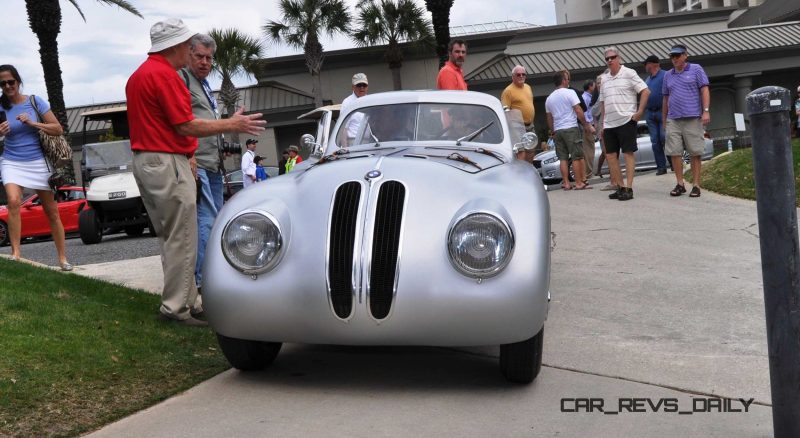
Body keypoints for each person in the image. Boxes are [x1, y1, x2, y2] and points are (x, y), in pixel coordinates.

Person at [125, 18, 266, 326]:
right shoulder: (166, 75)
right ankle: (176, 308)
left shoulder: (139, 75)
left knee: (171, 235)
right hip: (165, 160)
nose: (190, 51)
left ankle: (186, 301)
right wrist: (233, 124)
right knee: (184, 235)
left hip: (147, 160)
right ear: (176, 45)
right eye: (187, 45)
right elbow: (185, 124)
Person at [0, 64, 72, 271]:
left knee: (51, 211)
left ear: (18, 81)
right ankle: (15, 254)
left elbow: (57, 128)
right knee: (13, 201)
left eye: (10, 82)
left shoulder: (34, 101)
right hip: (11, 161)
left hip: (38, 162)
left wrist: (33, 124)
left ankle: (62, 259)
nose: (7, 86)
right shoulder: (0, 106)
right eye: (2, 83)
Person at [179, 33, 224, 294]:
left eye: (209, 58)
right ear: (188, 55)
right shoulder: (183, 79)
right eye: (199, 56)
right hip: (198, 163)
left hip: (214, 161)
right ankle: (204, 281)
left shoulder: (205, 85)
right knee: (206, 220)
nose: (205, 62)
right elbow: (181, 120)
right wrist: (190, 155)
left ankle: (214, 275)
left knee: (216, 219)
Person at [598, 46, 650, 201]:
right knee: (610, 155)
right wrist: (602, 124)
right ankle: (620, 186)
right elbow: (603, 102)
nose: (609, 61)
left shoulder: (629, 73)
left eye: (612, 57)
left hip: (626, 120)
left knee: (628, 153)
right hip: (609, 124)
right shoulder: (604, 78)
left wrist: (639, 112)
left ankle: (629, 187)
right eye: (607, 59)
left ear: (619, 58)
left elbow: (645, 91)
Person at [662, 44, 710, 198]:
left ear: (685, 55)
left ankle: (696, 185)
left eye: (677, 55)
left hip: (692, 117)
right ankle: (680, 183)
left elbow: (704, 89)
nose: (674, 59)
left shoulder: (696, 69)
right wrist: (664, 119)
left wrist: (706, 111)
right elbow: (665, 98)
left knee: (695, 151)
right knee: (674, 152)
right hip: (673, 119)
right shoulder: (668, 75)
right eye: (672, 56)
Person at [546, 70, 592, 190]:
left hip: (558, 130)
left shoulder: (549, 98)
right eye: (567, 79)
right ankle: (578, 182)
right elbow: (578, 109)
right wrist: (586, 124)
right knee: (576, 156)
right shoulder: (570, 92)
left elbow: (549, 118)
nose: (568, 81)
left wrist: (553, 131)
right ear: (563, 80)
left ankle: (566, 183)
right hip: (570, 127)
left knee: (563, 158)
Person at [501, 65, 535, 161]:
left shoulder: (528, 87)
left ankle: (528, 173)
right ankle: (520, 174)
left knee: (531, 150)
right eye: (518, 74)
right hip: (516, 125)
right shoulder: (508, 91)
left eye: (523, 74)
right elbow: (505, 110)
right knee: (521, 151)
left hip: (530, 125)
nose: (521, 76)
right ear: (513, 76)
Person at [644, 54, 669, 175]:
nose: (645, 66)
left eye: (647, 64)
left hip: (662, 111)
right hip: (650, 113)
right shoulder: (647, 80)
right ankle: (661, 167)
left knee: (664, 137)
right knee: (655, 140)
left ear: (654, 64)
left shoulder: (665, 75)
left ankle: (673, 162)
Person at [341, 73, 368, 145]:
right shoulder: (347, 102)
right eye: (359, 85)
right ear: (353, 87)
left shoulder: (370, 100)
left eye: (364, 85)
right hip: (353, 142)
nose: (362, 88)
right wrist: (345, 149)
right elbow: (343, 128)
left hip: (371, 142)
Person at [581, 79, 597, 179]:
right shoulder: (585, 98)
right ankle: (588, 173)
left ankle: (588, 173)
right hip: (587, 126)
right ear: (590, 86)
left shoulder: (588, 97)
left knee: (590, 149)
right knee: (589, 150)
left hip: (589, 125)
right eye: (594, 85)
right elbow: (584, 112)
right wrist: (589, 125)